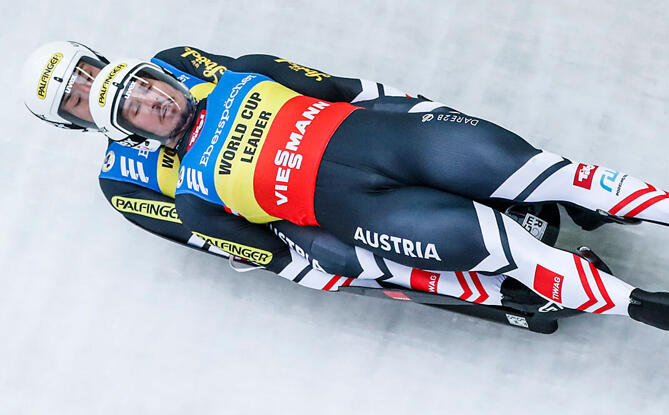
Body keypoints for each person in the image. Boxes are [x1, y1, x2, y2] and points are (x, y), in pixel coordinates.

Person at [26, 43, 669, 340]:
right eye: (105, 103)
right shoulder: (141, 183)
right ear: (93, 127)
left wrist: (410, 107)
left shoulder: (191, 60)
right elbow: (250, 248)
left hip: (386, 141)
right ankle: (653, 310)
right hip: (357, 216)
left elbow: (330, 85)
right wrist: (349, 269)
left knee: (540, 170)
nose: (149, 100)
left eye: (137, 85)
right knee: (501, 247)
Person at [21, 41, 564, 325]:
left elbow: (278, 77)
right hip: (274, 210)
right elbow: (204, 235)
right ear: (73, 122)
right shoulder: (120, 181)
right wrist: (280, 254)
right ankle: (501, 290)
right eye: (75, 97)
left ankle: (544, 183)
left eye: (88, 72)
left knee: (401, 122)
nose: (89, 90)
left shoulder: (170, 63)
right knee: (335, 258)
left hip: (314, 136)